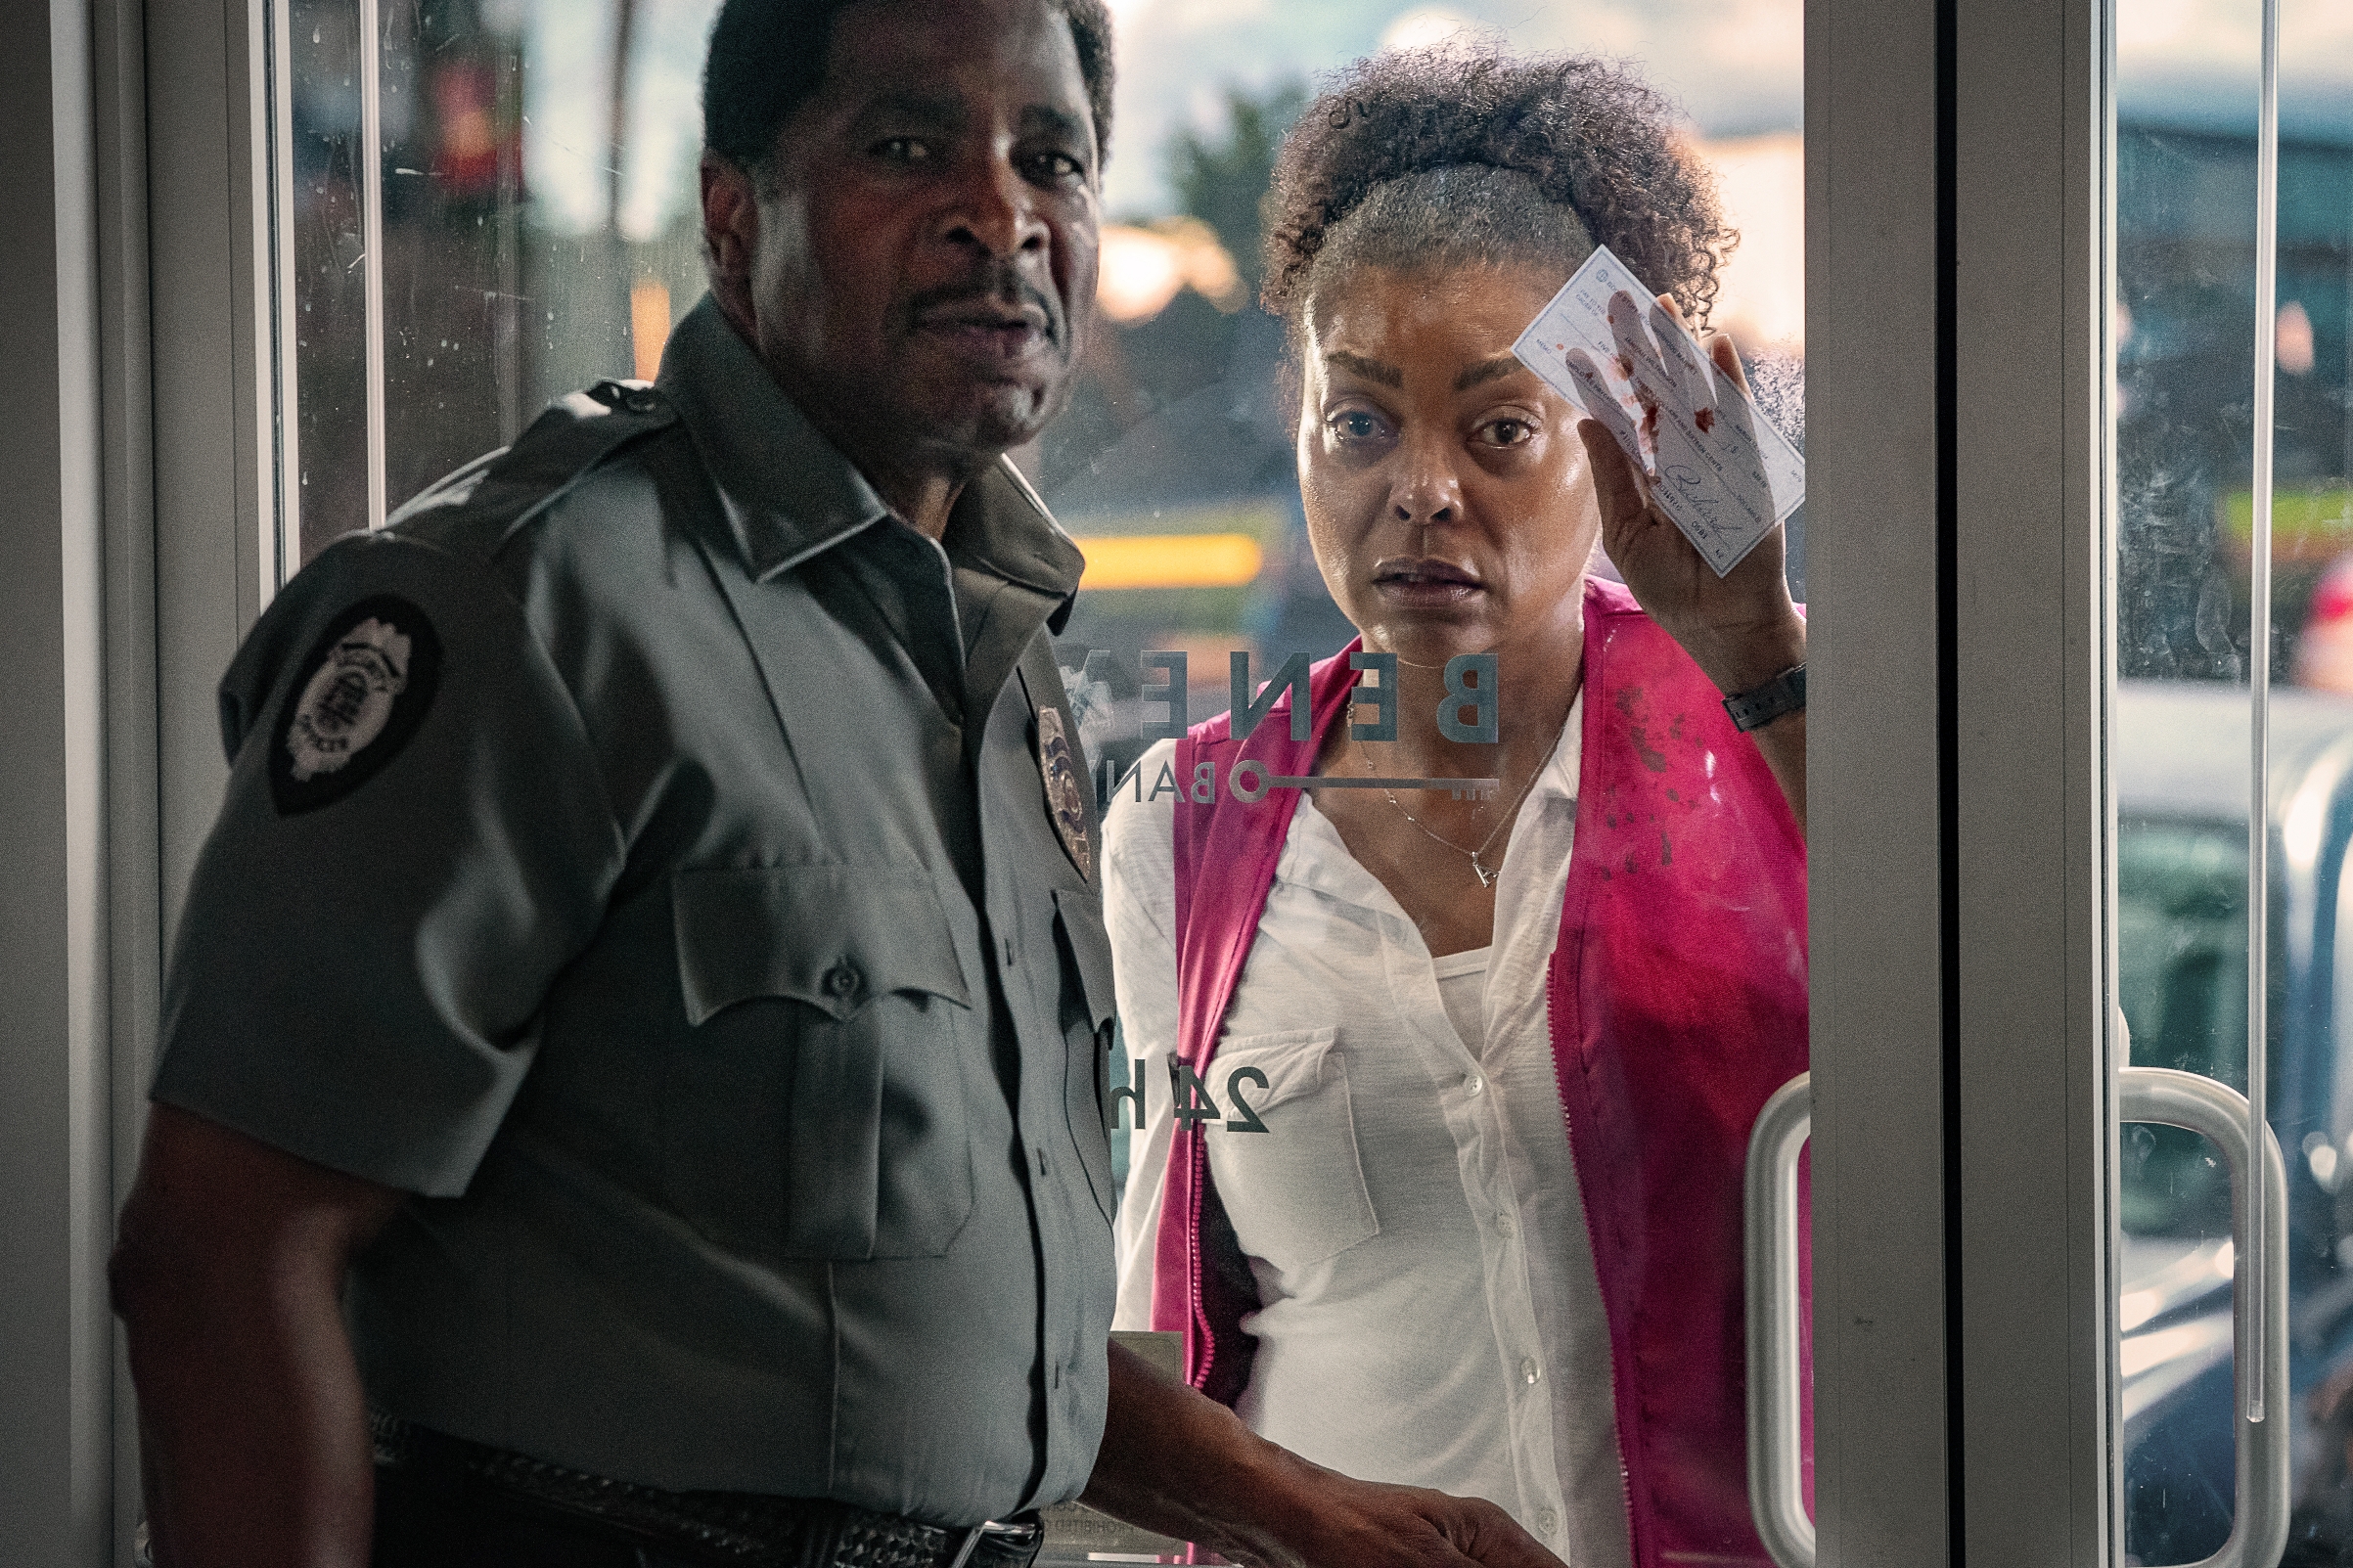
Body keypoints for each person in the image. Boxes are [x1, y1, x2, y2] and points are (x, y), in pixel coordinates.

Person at [108, 4, 1570, 1567]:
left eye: (1050, 161)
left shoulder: (996, 659)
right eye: (906, 146)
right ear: (734, 218)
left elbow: (932, 1349)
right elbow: (222, 1253)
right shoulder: (526, 611)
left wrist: (1309, 1513)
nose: (1001, 213)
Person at [1108, 48, 1810, 1568]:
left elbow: (2022, 1079)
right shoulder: (1183, 817)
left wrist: (1761, 653)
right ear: (1296, 428)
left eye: (1497, 430)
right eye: (1359, 423)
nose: (1419, 488)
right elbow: (1153, 1312)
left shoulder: (1769, 732)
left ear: (1610, 442)